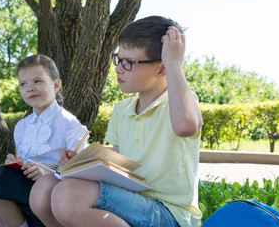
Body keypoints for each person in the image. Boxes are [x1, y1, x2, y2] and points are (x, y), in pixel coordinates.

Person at [30, 15, 203, 227]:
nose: (118, 68)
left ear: (161, 68)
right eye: (118, 59)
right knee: (44, 187)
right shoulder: (123, 109)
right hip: (130, 199)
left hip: (168, 213)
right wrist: (81, 163)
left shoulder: (180, 101)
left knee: (68, 195)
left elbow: (185, 126)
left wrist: (174, 64)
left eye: (129, 62)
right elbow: (118, 166)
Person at [0, 54, 89, 227]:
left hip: (48, 191)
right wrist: (14, 163)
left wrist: (48, 173)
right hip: (23, 184)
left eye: (37, 81)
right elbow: (24, 159)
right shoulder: (21, 126)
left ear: (56, 85)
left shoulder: (69, 124)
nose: (30, 88)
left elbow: (83, 170)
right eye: (23, 84)